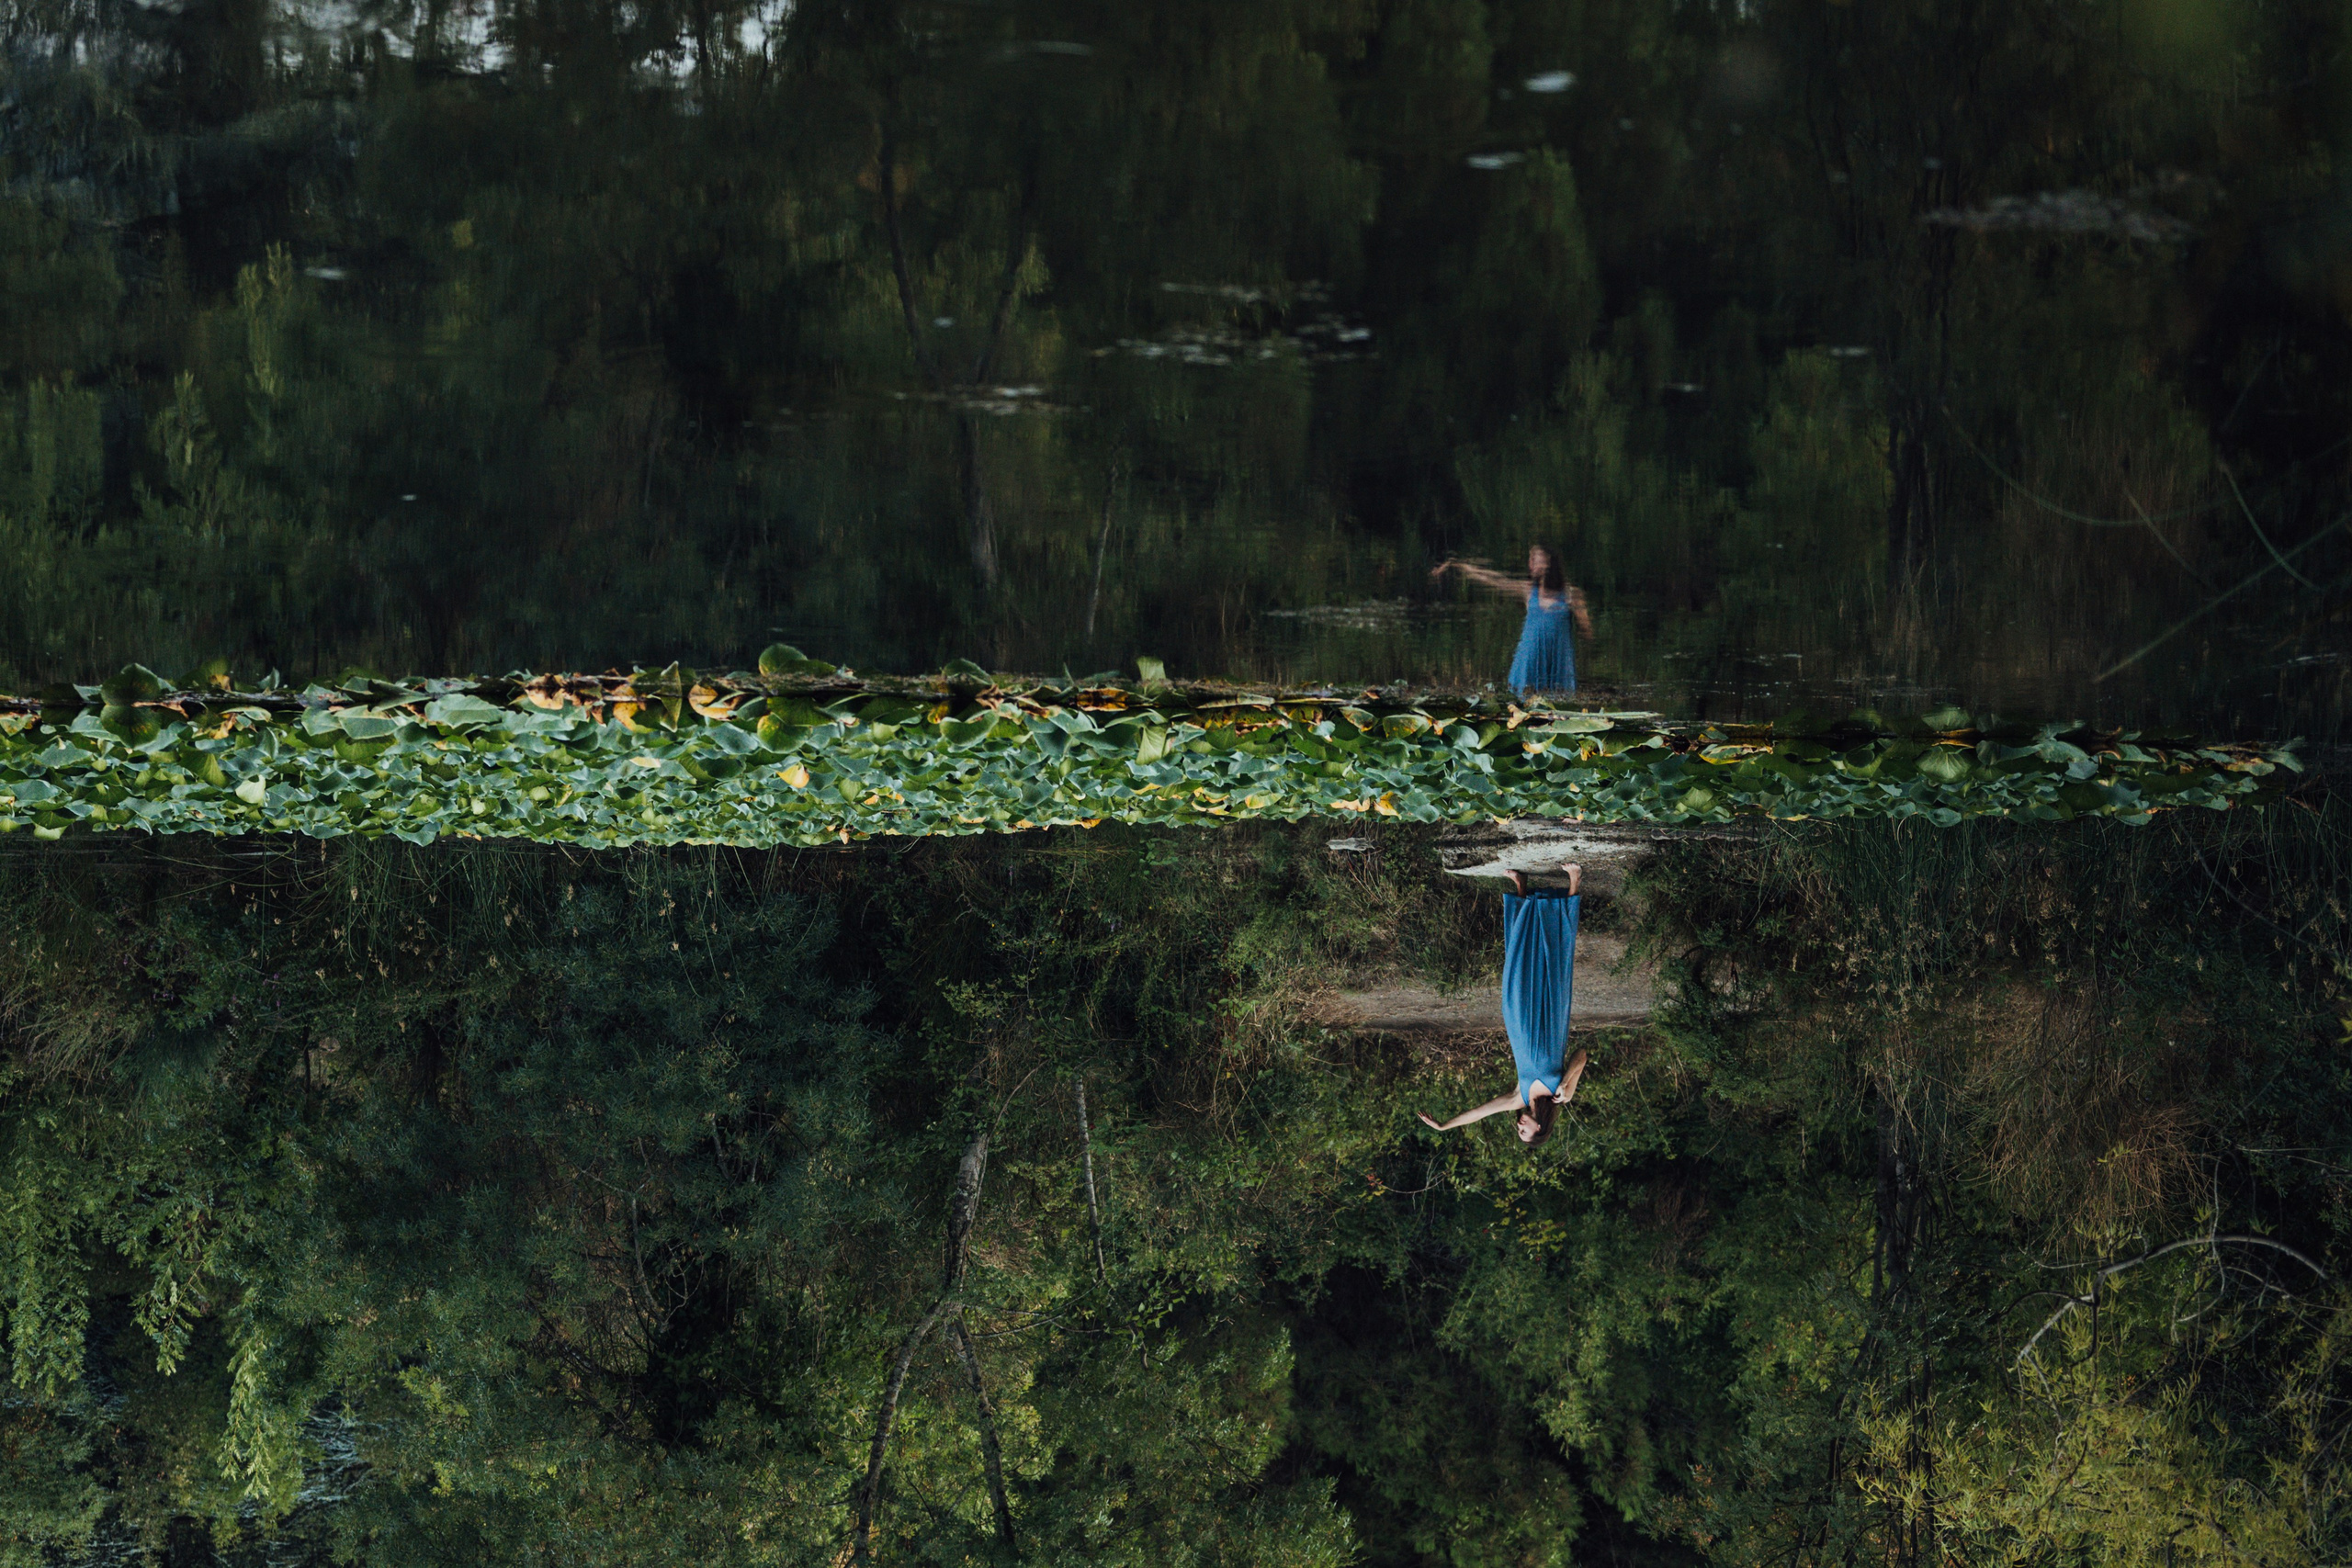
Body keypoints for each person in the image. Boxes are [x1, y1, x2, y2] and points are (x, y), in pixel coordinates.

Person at [1416, 862, 1588, 1148]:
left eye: (1519, 1132)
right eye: (1525, 1132)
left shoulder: (1517, 1098)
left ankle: (1521, 889)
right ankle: (1574, 882)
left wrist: (1446, 1125)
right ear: (1540, 1128)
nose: (1519, 1127)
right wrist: (1565, 1082)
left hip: (1518, 1018)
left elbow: (1481, 1112)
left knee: (1516, 965)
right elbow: (1581, 1055)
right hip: (1550, 1016)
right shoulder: (1563, 1096)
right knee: (1557, 962)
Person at [1430, 545, 1594, 695]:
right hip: (1529, 657)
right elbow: (1493, 579)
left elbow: (1587, 631)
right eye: (1530, 560)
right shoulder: (1528, 590)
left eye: (1535, 559)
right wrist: (1456, 565)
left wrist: (1582, 626)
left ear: (1548, 562)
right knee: (1522, 701)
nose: (1530, 564)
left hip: (1557, 657)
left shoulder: (1571, 594)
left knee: (1559, 704)